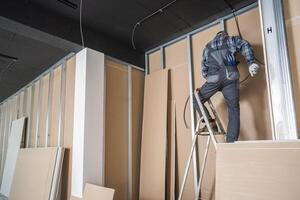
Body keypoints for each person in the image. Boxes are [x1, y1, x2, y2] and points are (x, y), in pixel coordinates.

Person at [194, 31, 259, 143]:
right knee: (233, 109)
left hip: (213, 79)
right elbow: (245, 45)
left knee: (196, 99)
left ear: (216, 36)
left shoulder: (207, 47)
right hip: (231, 78)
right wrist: (250, 62)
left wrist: (210, 80)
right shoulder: (230, 40)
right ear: (225, 35)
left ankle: (210, 122)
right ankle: (230, 142)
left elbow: (204, 69)